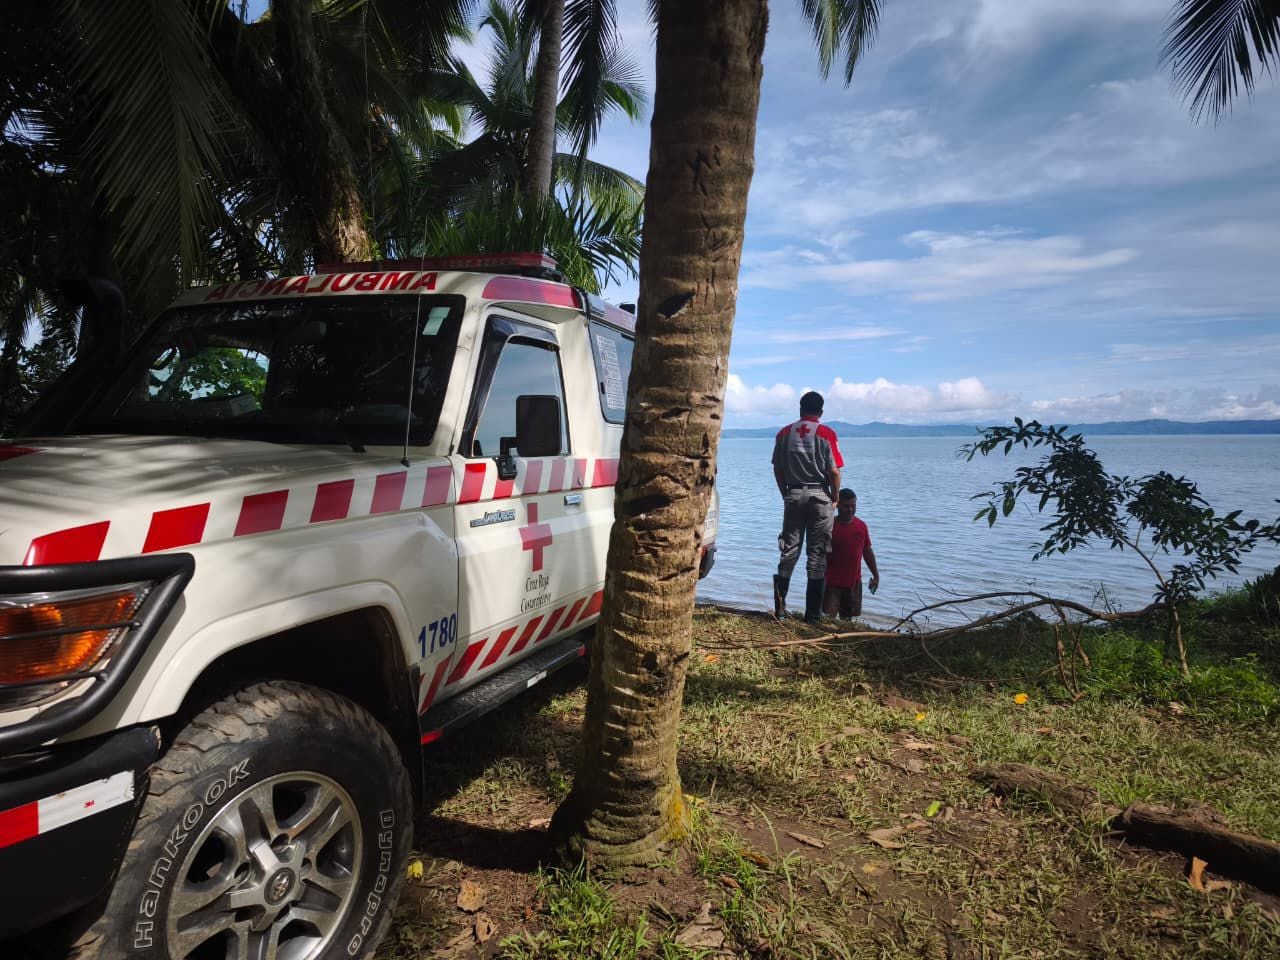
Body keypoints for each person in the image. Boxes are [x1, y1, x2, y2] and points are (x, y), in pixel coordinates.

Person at [772, 390, 843, 622]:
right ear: (821, 411)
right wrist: (835, 497)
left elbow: (778, 468)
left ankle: (780, 609)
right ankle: (812, 615)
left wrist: (785, 492)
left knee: (789, 550)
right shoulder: (826, 433)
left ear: (800, 408)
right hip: (819, 496)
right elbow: (833, 470)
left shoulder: (784, 433)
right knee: (817, 553)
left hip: (793, 494)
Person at [824, 488, 879, 619]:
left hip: (853, 583)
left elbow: (867, 551)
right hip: (831, 584)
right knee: (827, 617)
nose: (850, 509)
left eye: (853, 506)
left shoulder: (861, 526)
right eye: (846, 506)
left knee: (848, 618)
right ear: (837, 505)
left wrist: (875, 574)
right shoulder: (829, 525)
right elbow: (820, 553)